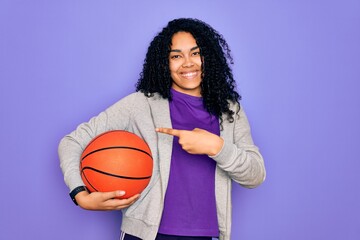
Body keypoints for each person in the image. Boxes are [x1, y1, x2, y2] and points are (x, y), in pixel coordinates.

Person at [58, 18, 266, 240]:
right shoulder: (141, 104)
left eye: (195, 53)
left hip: (204, 236)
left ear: (209, 57)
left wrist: (216, 146)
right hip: (145, 235)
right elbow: (71, 142)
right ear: (164, 63)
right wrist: (80, 194)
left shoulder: (229, 110)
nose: (187, 63)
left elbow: (255, 175)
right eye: (176, 56)